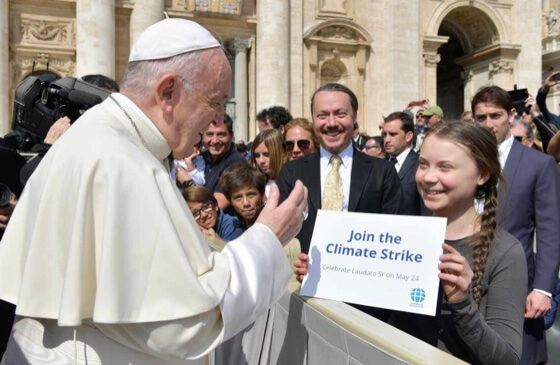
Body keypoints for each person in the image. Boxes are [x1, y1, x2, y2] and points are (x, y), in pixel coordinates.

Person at [0, 18, 308, 364]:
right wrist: (268, 237)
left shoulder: (106, 137)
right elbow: (181, 326)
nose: (217, 120)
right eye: (215, 101)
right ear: (167, 92)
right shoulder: (121, 161)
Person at [296, 121, 528, 365]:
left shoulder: (505, 252)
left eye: (445, 167)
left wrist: (463, 303)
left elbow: (507, 359)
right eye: (423, 164)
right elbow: (371, 318)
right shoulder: (402, 237)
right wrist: (325, 278)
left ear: (482, 174)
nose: (428, 177)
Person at [472, 85, 560, 365]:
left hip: (519, 287)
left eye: (495, 116)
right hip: (467, 284)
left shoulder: (539, 164)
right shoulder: (463, 160)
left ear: (510, 115)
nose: (488, 124)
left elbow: (550, 230)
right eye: (481, 117)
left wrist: (544, 289)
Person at [276, 82, 404, 254]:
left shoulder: (383, 172)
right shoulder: (291, 172)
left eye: (340, 114)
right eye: (322, 115)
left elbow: (395, 231)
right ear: (313, 119)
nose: (331, 123)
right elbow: (281, 230)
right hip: (304, 276)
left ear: (354, 116)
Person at [383, 111, 429, 216]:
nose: (386, 140)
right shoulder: (379, 165)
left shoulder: (421, 166)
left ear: (408, 136)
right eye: (385, 134)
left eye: (393, 134)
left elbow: (426, 209)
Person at [200, 113, 247, 209]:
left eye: (221, 135)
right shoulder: (200, 158)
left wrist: (187, 182)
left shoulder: (237, 163)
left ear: (231, 135)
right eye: (209, 134)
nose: (214, 141)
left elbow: (216, 207)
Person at [220, 163, 267, 230]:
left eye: (251, 195)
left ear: (261, 193)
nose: (246, 203)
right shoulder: (233, 230)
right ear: (230, 201)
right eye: (238, 198)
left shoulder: (276, 224)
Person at [250, 129, 287, 197]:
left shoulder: (292, 181)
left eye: (266, 154)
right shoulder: (253, 182)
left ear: (280, 153)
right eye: (257, 155)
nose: (261, 161)